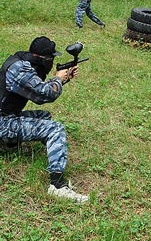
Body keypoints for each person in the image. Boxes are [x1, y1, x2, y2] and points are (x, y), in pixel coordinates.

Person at [0, 36, 89, 203]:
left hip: (5, 115)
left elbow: (36, 90)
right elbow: (45, 94)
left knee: (44, 116)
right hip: (2, 121)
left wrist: (65, 78)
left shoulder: (20, 63)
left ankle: (8, 145)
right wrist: (58, 78)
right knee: (54, 128)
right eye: (51, 59)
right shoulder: (19, 70)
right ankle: (57, 186)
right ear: (45, 59)